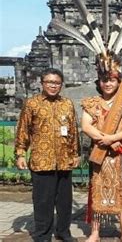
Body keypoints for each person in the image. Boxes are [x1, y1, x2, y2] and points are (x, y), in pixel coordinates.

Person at [15, 68, 80, 242]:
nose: (53, 86)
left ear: (61, 85)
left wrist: (76, 154)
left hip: (64, 159)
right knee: (43, 201)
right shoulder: (32, 104)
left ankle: (63, 231)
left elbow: (73, 130)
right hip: (42, 160)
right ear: (42, 83)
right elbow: (23, 130)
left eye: (57, 83)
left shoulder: (67, 104)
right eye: (50, 82)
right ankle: (43, 235)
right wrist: (21, 153)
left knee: (65, 202)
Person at [81, 62, 122, 242]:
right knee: (96, 191)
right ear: (99, 83)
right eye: (104, 80)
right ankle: (95, 232)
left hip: (121, 153)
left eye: (112, 80)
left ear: (119, 82)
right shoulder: (93, 104)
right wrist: (106, 141)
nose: (108, 84)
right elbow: (86, 126)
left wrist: (111, 139)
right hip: (99, 153)